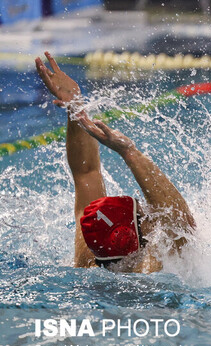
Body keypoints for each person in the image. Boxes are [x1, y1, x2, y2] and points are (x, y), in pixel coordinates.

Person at [35, 52, 195, 273]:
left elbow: (86, 172)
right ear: (132, 236)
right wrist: (129, 152)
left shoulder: (89, 257)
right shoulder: (156, 268)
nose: (149, 211)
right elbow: (181, 220)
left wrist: (75, 106)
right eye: (142, 214)